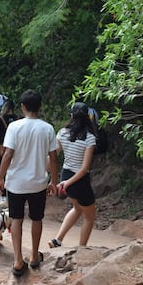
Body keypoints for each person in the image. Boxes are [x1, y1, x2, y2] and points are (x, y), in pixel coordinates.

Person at [0, 89, 58, 277]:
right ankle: (33, 257)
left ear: (22, 107)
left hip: (16, 183)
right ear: (40, 106)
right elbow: (53, 158)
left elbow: (7, 154)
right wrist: (54, 181)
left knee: (16, 219)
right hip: (38, 182)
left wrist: (0, 177)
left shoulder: (14, 127)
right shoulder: (47, 128)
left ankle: (17, 260)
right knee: (37, 218)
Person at [49, 102, 98, 248]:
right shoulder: (89, 138)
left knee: (77, 208)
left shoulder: (62, 133)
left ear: (71, 116)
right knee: (89, 216)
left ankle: (57, 240)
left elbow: (53, 156)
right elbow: (84, 169)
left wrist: (59, 180)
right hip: (79, 180)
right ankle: (82, 249)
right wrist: (68, 183)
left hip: (66, 175)